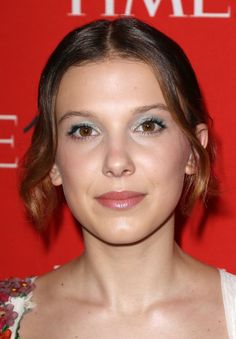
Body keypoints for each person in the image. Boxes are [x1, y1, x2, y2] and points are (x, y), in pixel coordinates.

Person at [0, 17, 235, 339]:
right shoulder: (7, 317)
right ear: (53, 159)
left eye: (148, 126)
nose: (116, 162)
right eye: (84, 130)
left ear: (194, 151)